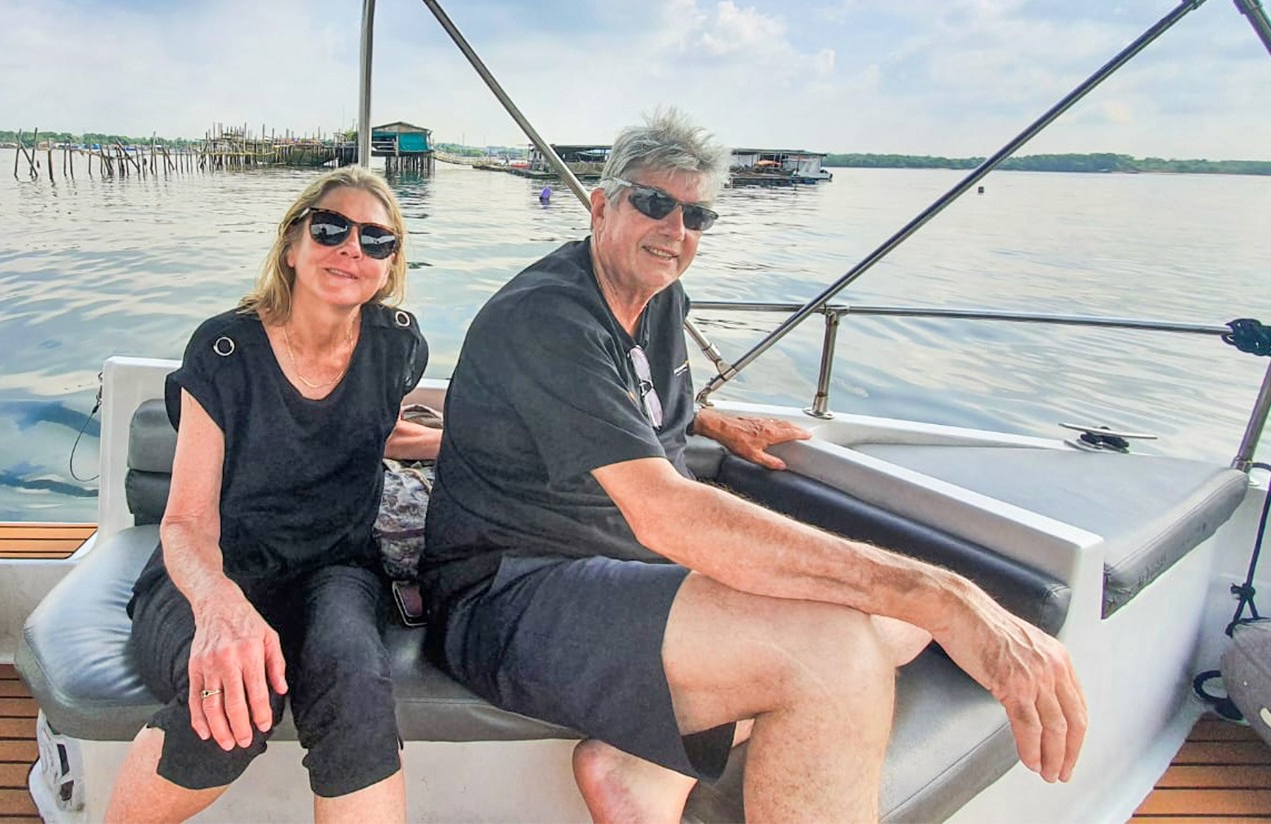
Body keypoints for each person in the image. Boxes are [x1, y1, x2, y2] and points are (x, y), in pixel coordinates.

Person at [420, 109, 1087, 822]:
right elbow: (667, 512)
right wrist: (944, 593)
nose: (675, 230)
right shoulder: (547, 318)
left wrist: (708, 420)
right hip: (512, 596)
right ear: (602, 206)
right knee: (834, 652)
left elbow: (632, 407)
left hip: (628, 566)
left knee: (899, 621)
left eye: (696, 215)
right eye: (654, 203)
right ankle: (656, 756)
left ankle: (643, 762)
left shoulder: (659, 298)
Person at [108, 167, 442, 824]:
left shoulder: (397, 344)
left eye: (377, 239)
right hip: (219, 564)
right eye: (331, 228)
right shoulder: (225, 351)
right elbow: (186, 522)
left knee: (357, 691)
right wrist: (218, 608)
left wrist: (465, 445)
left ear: (389, 264)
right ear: (292, 244)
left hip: (338, 569)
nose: (352, 248)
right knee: (226, 710)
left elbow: (367, 428)